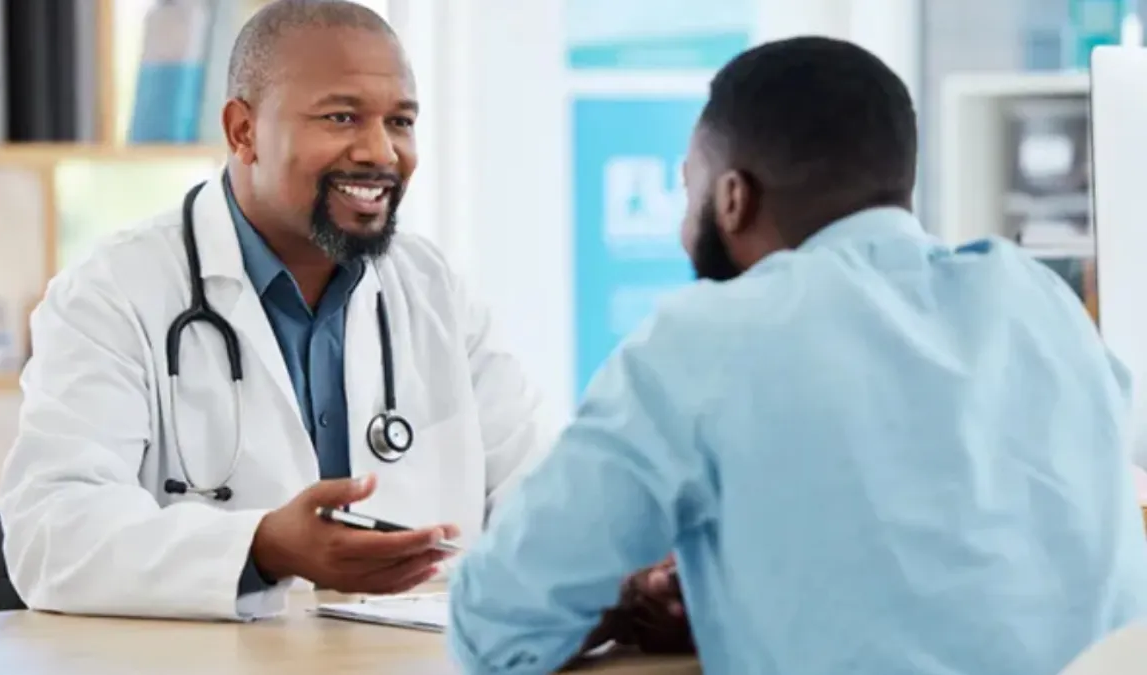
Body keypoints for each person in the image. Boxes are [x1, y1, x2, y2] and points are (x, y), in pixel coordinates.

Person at [446, 36, 1147, 674]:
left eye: (686, 189)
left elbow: (495, 625)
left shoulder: (708, 338)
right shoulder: (1040, 302)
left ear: (732, 198)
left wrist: (621, 597)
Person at [0, 0, 553, 621]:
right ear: (243, 131)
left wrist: (624, 577)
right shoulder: (113, 293)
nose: (381, 152)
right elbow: (53, 536)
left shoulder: (436, 291)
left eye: (400, 122)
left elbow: (539, 494)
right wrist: (262, 549)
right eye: (341, 117)